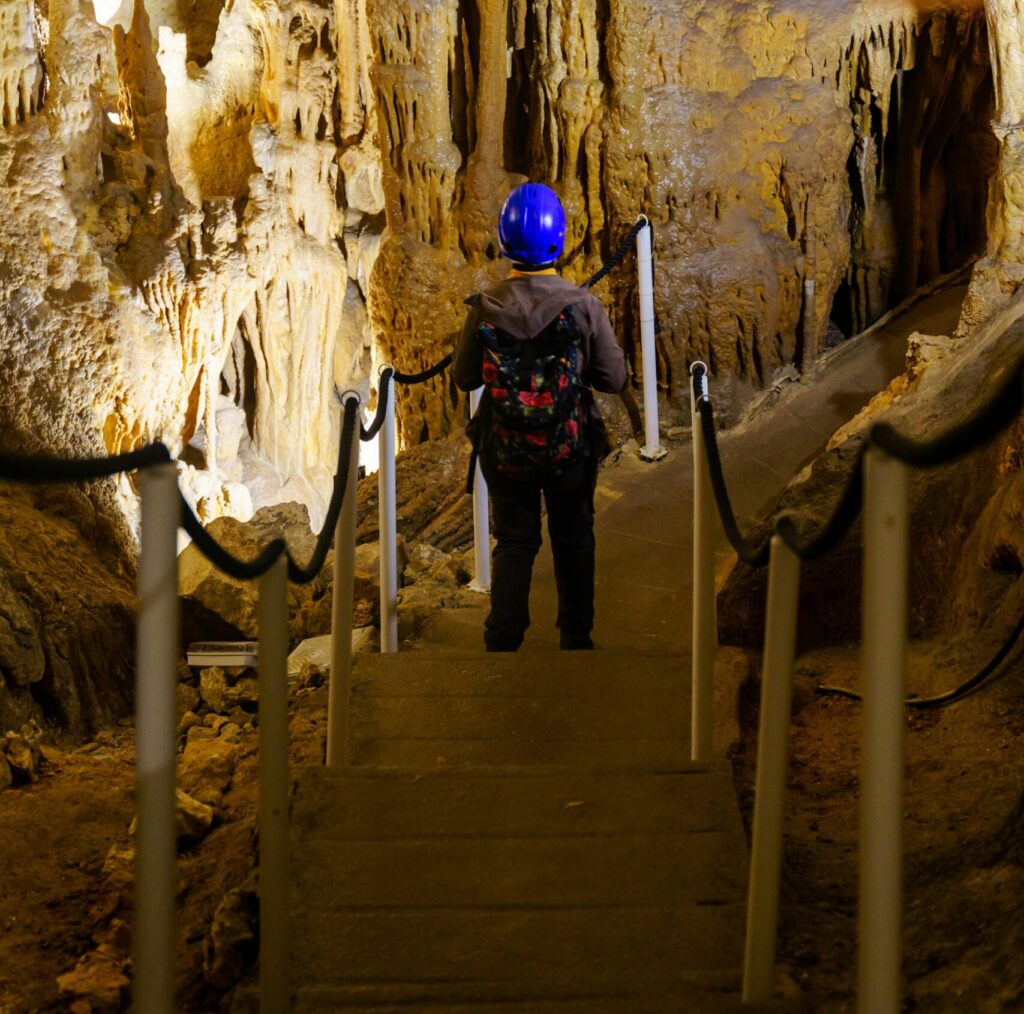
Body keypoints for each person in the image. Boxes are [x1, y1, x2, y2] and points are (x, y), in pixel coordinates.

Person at [454, 182, 627, 652]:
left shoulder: (485, 307)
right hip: (569, 444)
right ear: (560, 238)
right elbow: (614, 378)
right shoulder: (582, 305)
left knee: (515, 540)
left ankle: (503, 639)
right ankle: (576, 637)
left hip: (504, 447)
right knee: (573, 535)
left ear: (504, 239)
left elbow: (465, 378)